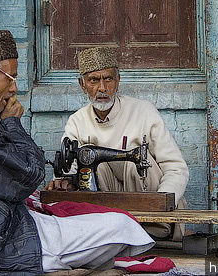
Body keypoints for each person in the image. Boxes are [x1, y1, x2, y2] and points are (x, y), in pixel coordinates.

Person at [0, 30, 154, 275]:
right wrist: (12, 124)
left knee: (108, 222)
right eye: (10, 78)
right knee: (123, 226)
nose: (14, 88)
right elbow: (29, 175)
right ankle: (60, 262)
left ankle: (68, 260)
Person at [46, 46, 189, 241]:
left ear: (118, 80)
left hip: (151, 208)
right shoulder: (77, 122)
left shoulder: (143, 112)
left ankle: (153, 225)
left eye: (108, 79)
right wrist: (64, 182)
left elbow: (176, 169)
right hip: (108, 209)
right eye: (93, 80)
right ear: (82, 84)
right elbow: (67, 170)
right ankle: (114, 227)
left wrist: (160, 203)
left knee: (135, 165)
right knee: (93, 168)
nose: (102, 88)